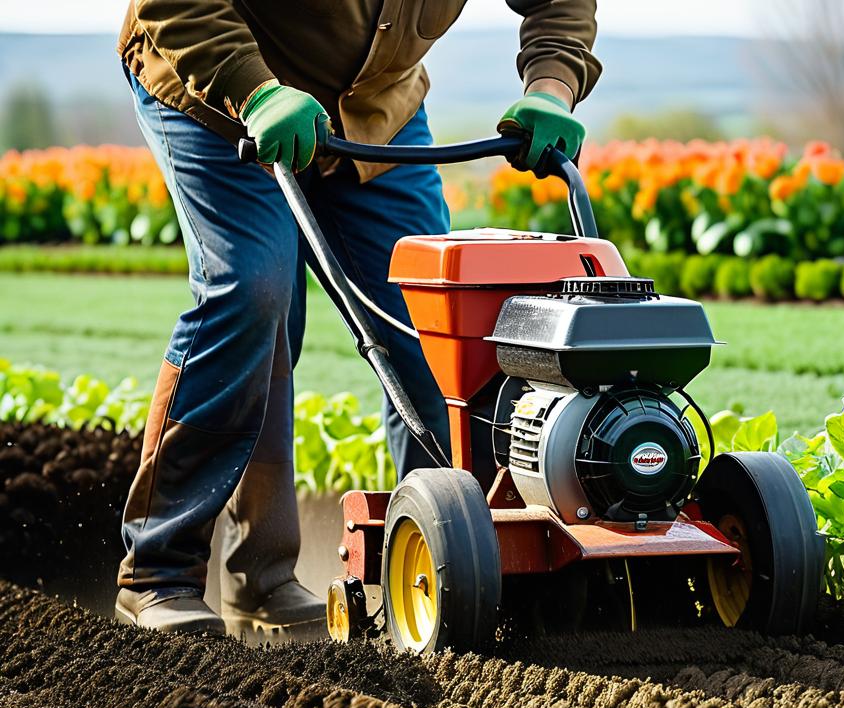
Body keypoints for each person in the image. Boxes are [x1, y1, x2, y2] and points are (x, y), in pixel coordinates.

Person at [113, 0, 601, 637]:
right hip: (221, 93)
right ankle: (161, 572)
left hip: (375, 112)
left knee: (436, 327)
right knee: (254, 294)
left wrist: (552, 84)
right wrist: (254, 92)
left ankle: (452, 563)